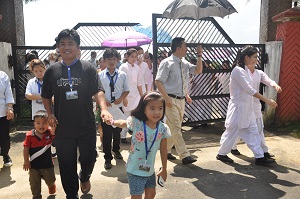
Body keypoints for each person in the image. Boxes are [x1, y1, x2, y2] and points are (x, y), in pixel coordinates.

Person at [41, 28, 112, 198]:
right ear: (58, 47)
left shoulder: (88, 68)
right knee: (66, 164)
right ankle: (71, 194)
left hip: (86, 124)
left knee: (89, 157)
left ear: (78, 47)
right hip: (63, 126)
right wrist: (50, 114)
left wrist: (103, 109)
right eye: (62, 44)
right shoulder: (51, 71)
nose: (66, 47)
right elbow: (45, 96)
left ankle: (85, 175)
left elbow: (98, 91)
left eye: (70, 43)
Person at [216, 45, 277, 166]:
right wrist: (267, 100)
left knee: (253, 132)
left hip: (247, 107)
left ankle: (259, 157)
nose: (256, 59)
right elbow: (250, 90)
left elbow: (252, 89)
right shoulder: (238, 71)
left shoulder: (247, 71)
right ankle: (222, 154)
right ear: (246, 57)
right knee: (232, 132)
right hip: (238, 107)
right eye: (254, 57)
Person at [111, 91, 171, 199]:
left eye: (160, 108)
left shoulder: (163, 129)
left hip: (149, 170)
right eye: (152, 108)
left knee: (151, 194)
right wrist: (112, 122)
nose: (157, 112)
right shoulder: (137, 123)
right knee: (136, 196)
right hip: (134, 169)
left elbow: (163, 149)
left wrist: (164, 169)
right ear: (144, 109)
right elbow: (122, 123)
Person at [155, 37, 203, 165]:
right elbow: (158, 82)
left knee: (173, 127)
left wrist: (199, 55)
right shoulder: (167, 63)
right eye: (185, 46)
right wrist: (165, 98)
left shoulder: (184, 63)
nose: (187, 49)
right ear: (178, 48)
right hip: (170, 99)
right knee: (176, 127)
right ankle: (184, 155)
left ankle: (165, 150)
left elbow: (198, 70)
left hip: (181, 100)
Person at [230, 57, 282, 157]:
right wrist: (267, 100)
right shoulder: (242, 73)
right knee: (238, 127)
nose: (254, 61)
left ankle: (263, 151)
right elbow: (249, 90)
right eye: (252, 58)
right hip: (244, 105)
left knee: (258, 128)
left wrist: (275, 85)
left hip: (255, 104)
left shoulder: (259, 73)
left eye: (255, 58)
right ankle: (233, 147)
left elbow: (268, 80)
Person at [98, 48, 129, 169]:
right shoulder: (100, 75)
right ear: (104, 60)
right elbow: (95, 91)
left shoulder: (122, 75)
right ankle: (107, 157)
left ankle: (116, 150)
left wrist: (121, 98)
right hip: (106, 109)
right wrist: (103, 100)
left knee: (117, 131)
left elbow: (126, 90)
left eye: (114, 59)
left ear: (118, 60)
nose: (111, 61)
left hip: (118, 107)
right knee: (107, 134)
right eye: (109, 59)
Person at [23, 110, 56, 198]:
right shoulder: (30, 135)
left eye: (44, 123)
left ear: (48, 123)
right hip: (34, 166)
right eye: (38, 123)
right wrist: (26, 161)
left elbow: (54, 133)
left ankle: (51, 185)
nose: (41, 125)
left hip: (47, 165)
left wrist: (53, 125)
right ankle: (36, 196)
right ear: (34, 124)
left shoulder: (49, 133)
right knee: (34, 184)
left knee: (51, 180)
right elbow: (26, 148)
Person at [119, 48, 143, 143]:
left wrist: (142, 96)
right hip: (126, 94)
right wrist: (123, 98)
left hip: (136, 95)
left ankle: (135, 134)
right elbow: (121, 83)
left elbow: (139, 83)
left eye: (135, 56)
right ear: (127, 57)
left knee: (136, 116)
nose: (134, 58)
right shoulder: (123, 67)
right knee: (126, 116)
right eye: (131, 56)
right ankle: (123, 136)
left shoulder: (137, 68)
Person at [0, 70, 15, 167]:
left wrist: (10, 108)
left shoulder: (2, 75)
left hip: (2, 112)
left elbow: (8, 93)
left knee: (4, 137)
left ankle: (5, 154)